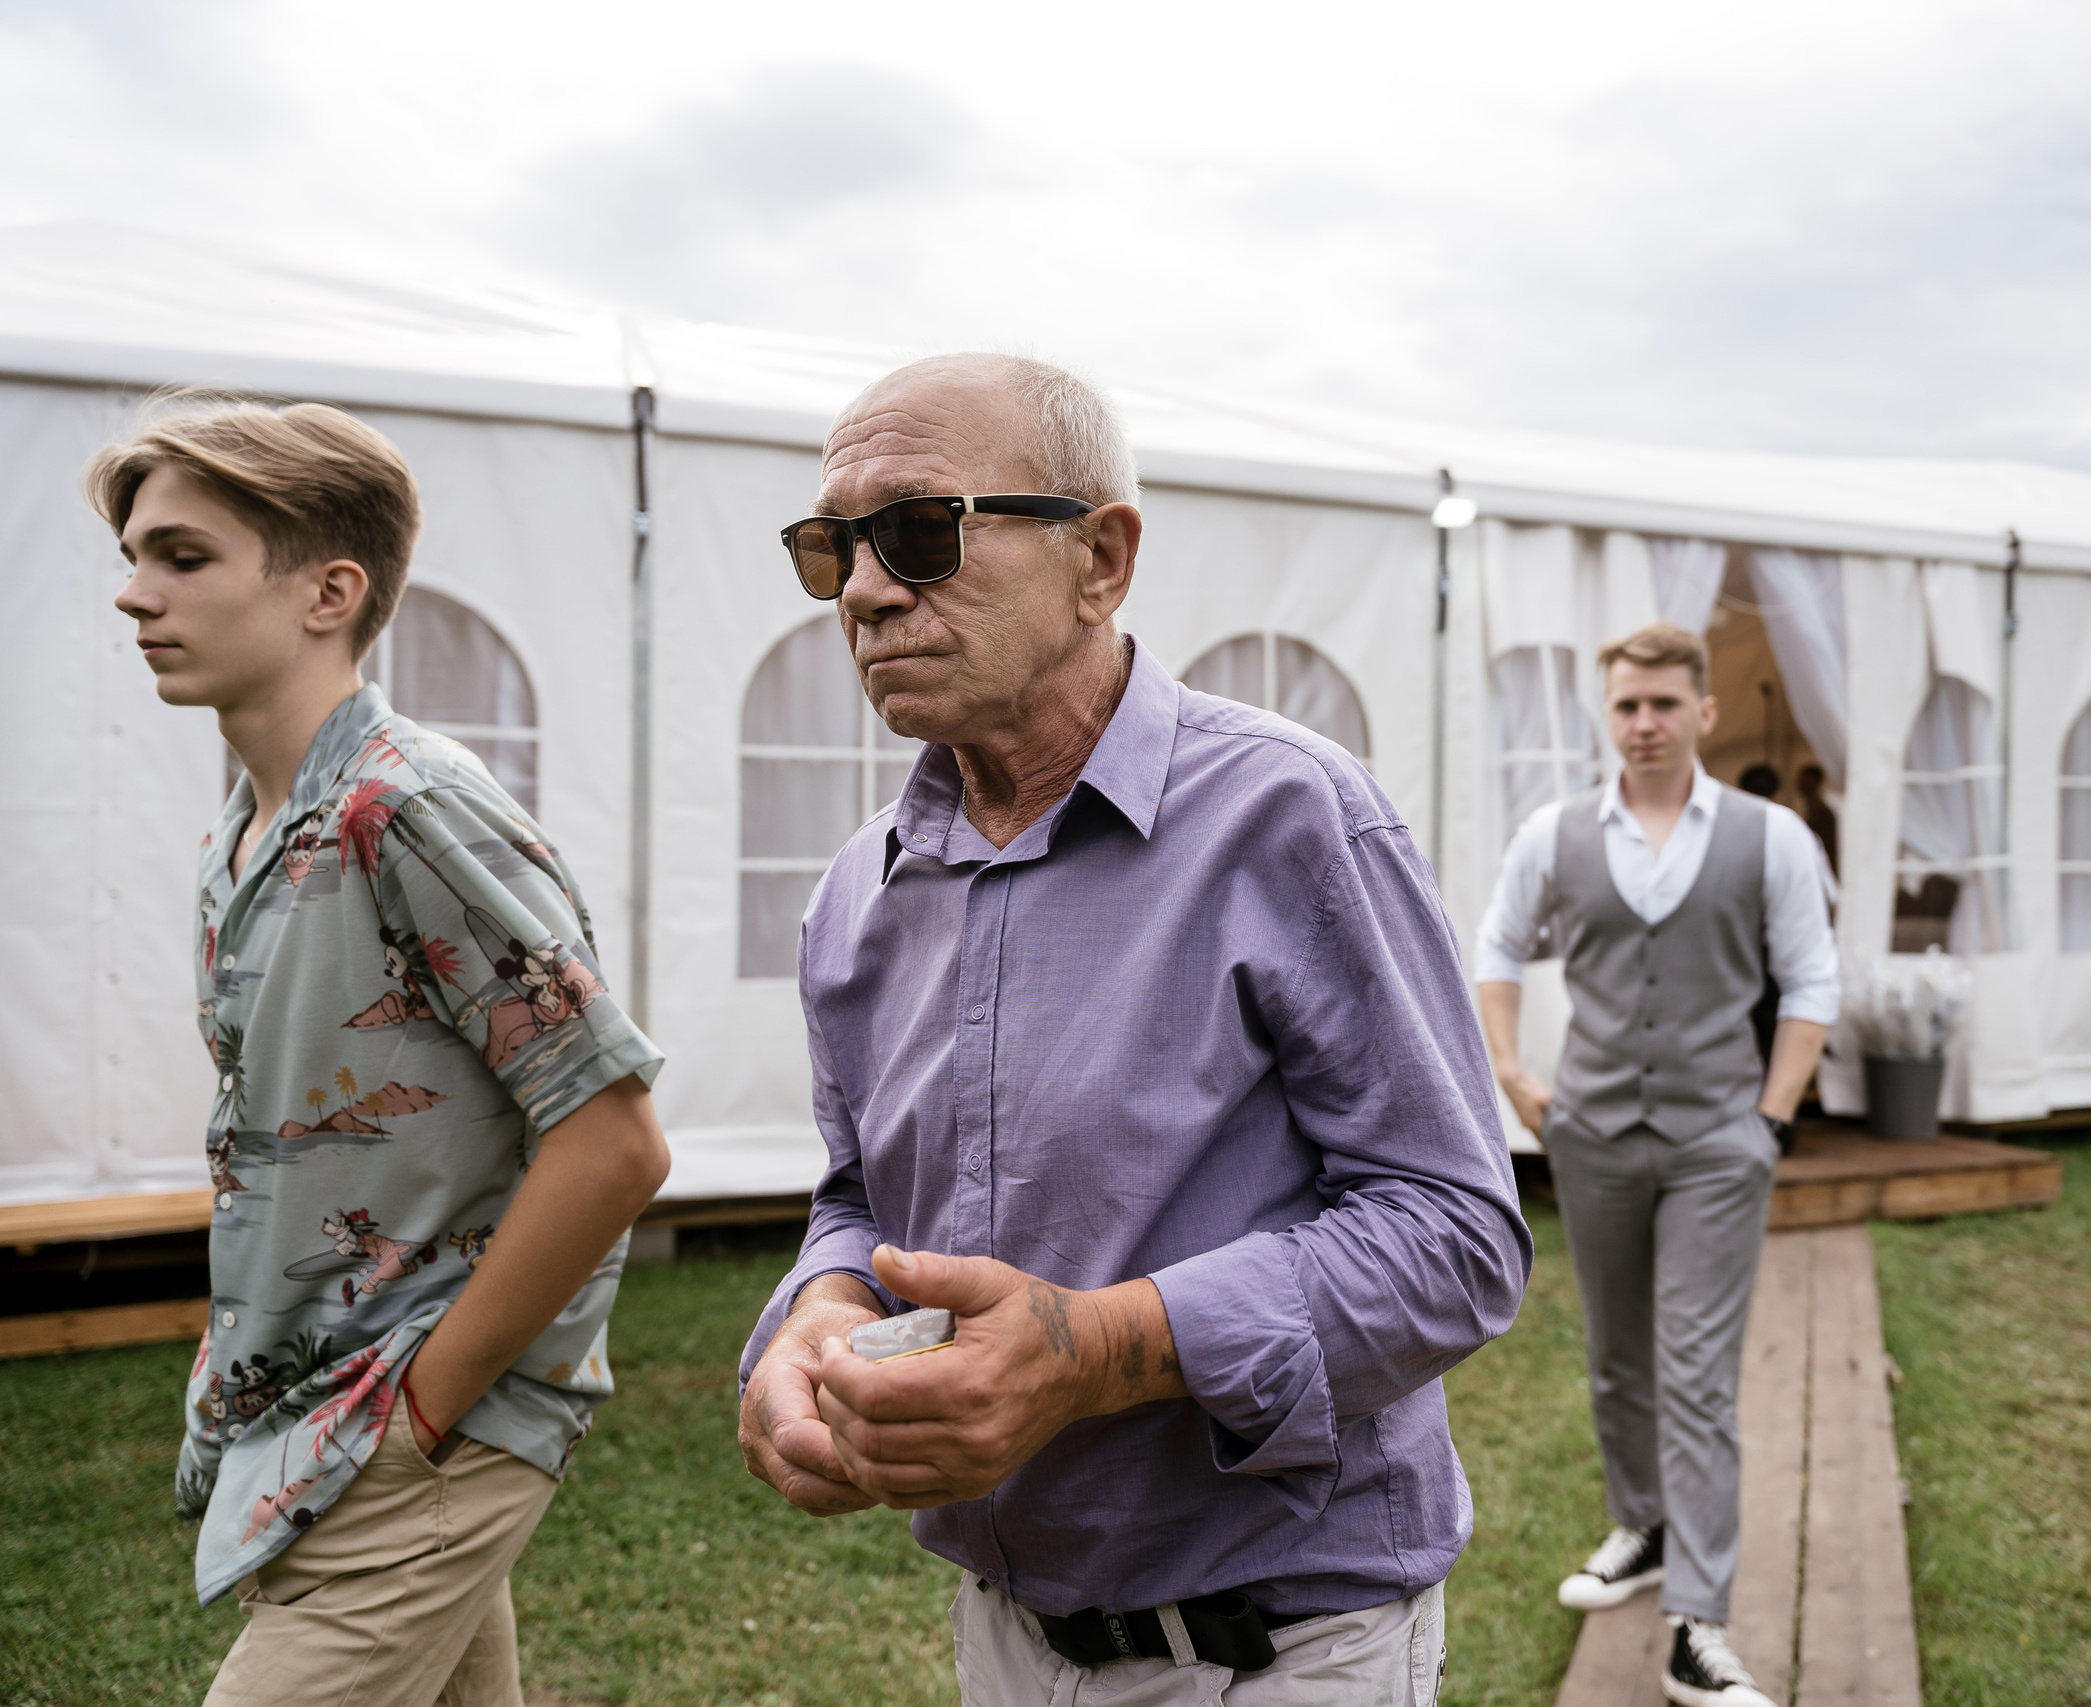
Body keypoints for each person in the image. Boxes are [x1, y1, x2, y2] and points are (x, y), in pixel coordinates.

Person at [735, 354, 1530, 1706]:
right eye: (835, 547)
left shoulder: (1291, 817)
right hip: (1007, 1634)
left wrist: (1093, 1348)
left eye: (921, 531)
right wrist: (816, 1314)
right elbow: (857, 1195)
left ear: (1101, 558)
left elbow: (1456, 1239)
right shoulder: (859, 890)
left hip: (1276, 1646)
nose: (866, 589)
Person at [93, 396, 670, 1707]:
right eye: (133, 557)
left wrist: (430, 1402)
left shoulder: (406, 809)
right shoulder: (244, 833)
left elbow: (613, 1137)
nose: (135, 594)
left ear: (328, 590)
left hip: (412, 1418)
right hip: (312, 1400)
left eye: (182, 556)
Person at [1475, 621, 1837, 1707]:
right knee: (1616, 1354)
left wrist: (1769, 1118)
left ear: (1702, 713)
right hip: (1590, 1131)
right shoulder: (1556, 832)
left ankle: (1700, 1625)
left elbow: (1812, 980)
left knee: (1693, 1374)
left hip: (1717, 1144)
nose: (1643, 724)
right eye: (1626, 705)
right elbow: (1496, 947)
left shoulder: (1769, 837)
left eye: (1663, 705)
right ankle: (1639, 1524)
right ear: (1609, 712)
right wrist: (1514, 1077)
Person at [1796, 763, 1840, 876]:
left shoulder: (1821, 810)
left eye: (1804, 779)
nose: (1799, 782)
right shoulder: (1813, 806)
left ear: (1815, 781)